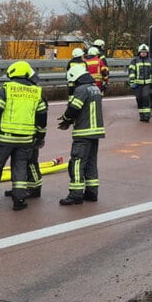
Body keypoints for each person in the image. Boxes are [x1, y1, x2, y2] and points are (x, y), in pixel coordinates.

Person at [0, 61, 48, 211]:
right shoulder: (37, 92)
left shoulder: (6, 89)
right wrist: (40, 137)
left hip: (4, 138)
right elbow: (42, 117)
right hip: (25, 139)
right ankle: (19, 200)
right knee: (20, 168)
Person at [58, 62, 106, 205]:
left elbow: (74, 108)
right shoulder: (95, 88)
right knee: (91, 163)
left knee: (77, 163)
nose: (72, 84)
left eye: (73, 81)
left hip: (83, 132)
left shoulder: (81, 90)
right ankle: (92, 193)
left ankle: (76, 194)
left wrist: (66, 119)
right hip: (96, 132)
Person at [128, 43, 152, 122]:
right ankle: (142, 115)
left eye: (145, 52)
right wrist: (132, 82)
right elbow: (131, 72)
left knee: (145, 97)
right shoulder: (134, 61)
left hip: (147, 84)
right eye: (142, 52)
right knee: (139, 99)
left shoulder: (150, 61)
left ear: (147, 52)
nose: (143, 53)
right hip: (137, 84)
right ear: (139, 52)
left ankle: (147, 116)